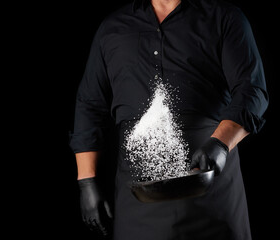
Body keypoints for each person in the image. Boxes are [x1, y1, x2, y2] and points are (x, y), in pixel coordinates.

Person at [69, 0, 268, 239]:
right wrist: (86, 181)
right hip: (138, 202)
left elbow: (252, 90)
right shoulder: (113, 27)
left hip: (212, 190)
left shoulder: (225, 18)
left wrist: (220, 144)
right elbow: (90, 105)